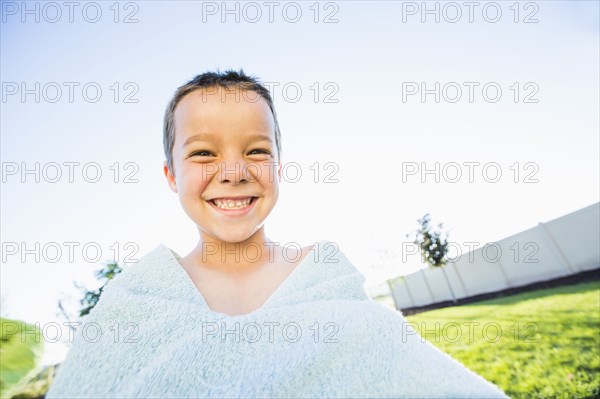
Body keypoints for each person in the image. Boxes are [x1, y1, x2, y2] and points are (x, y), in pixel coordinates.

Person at [46, 69, 510, 398]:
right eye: (204, 153)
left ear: (278, 168)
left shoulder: (321, 275)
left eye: (256, 150)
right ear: (170, 175)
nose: (232, 171)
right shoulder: (136, 298)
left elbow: (390, 365)